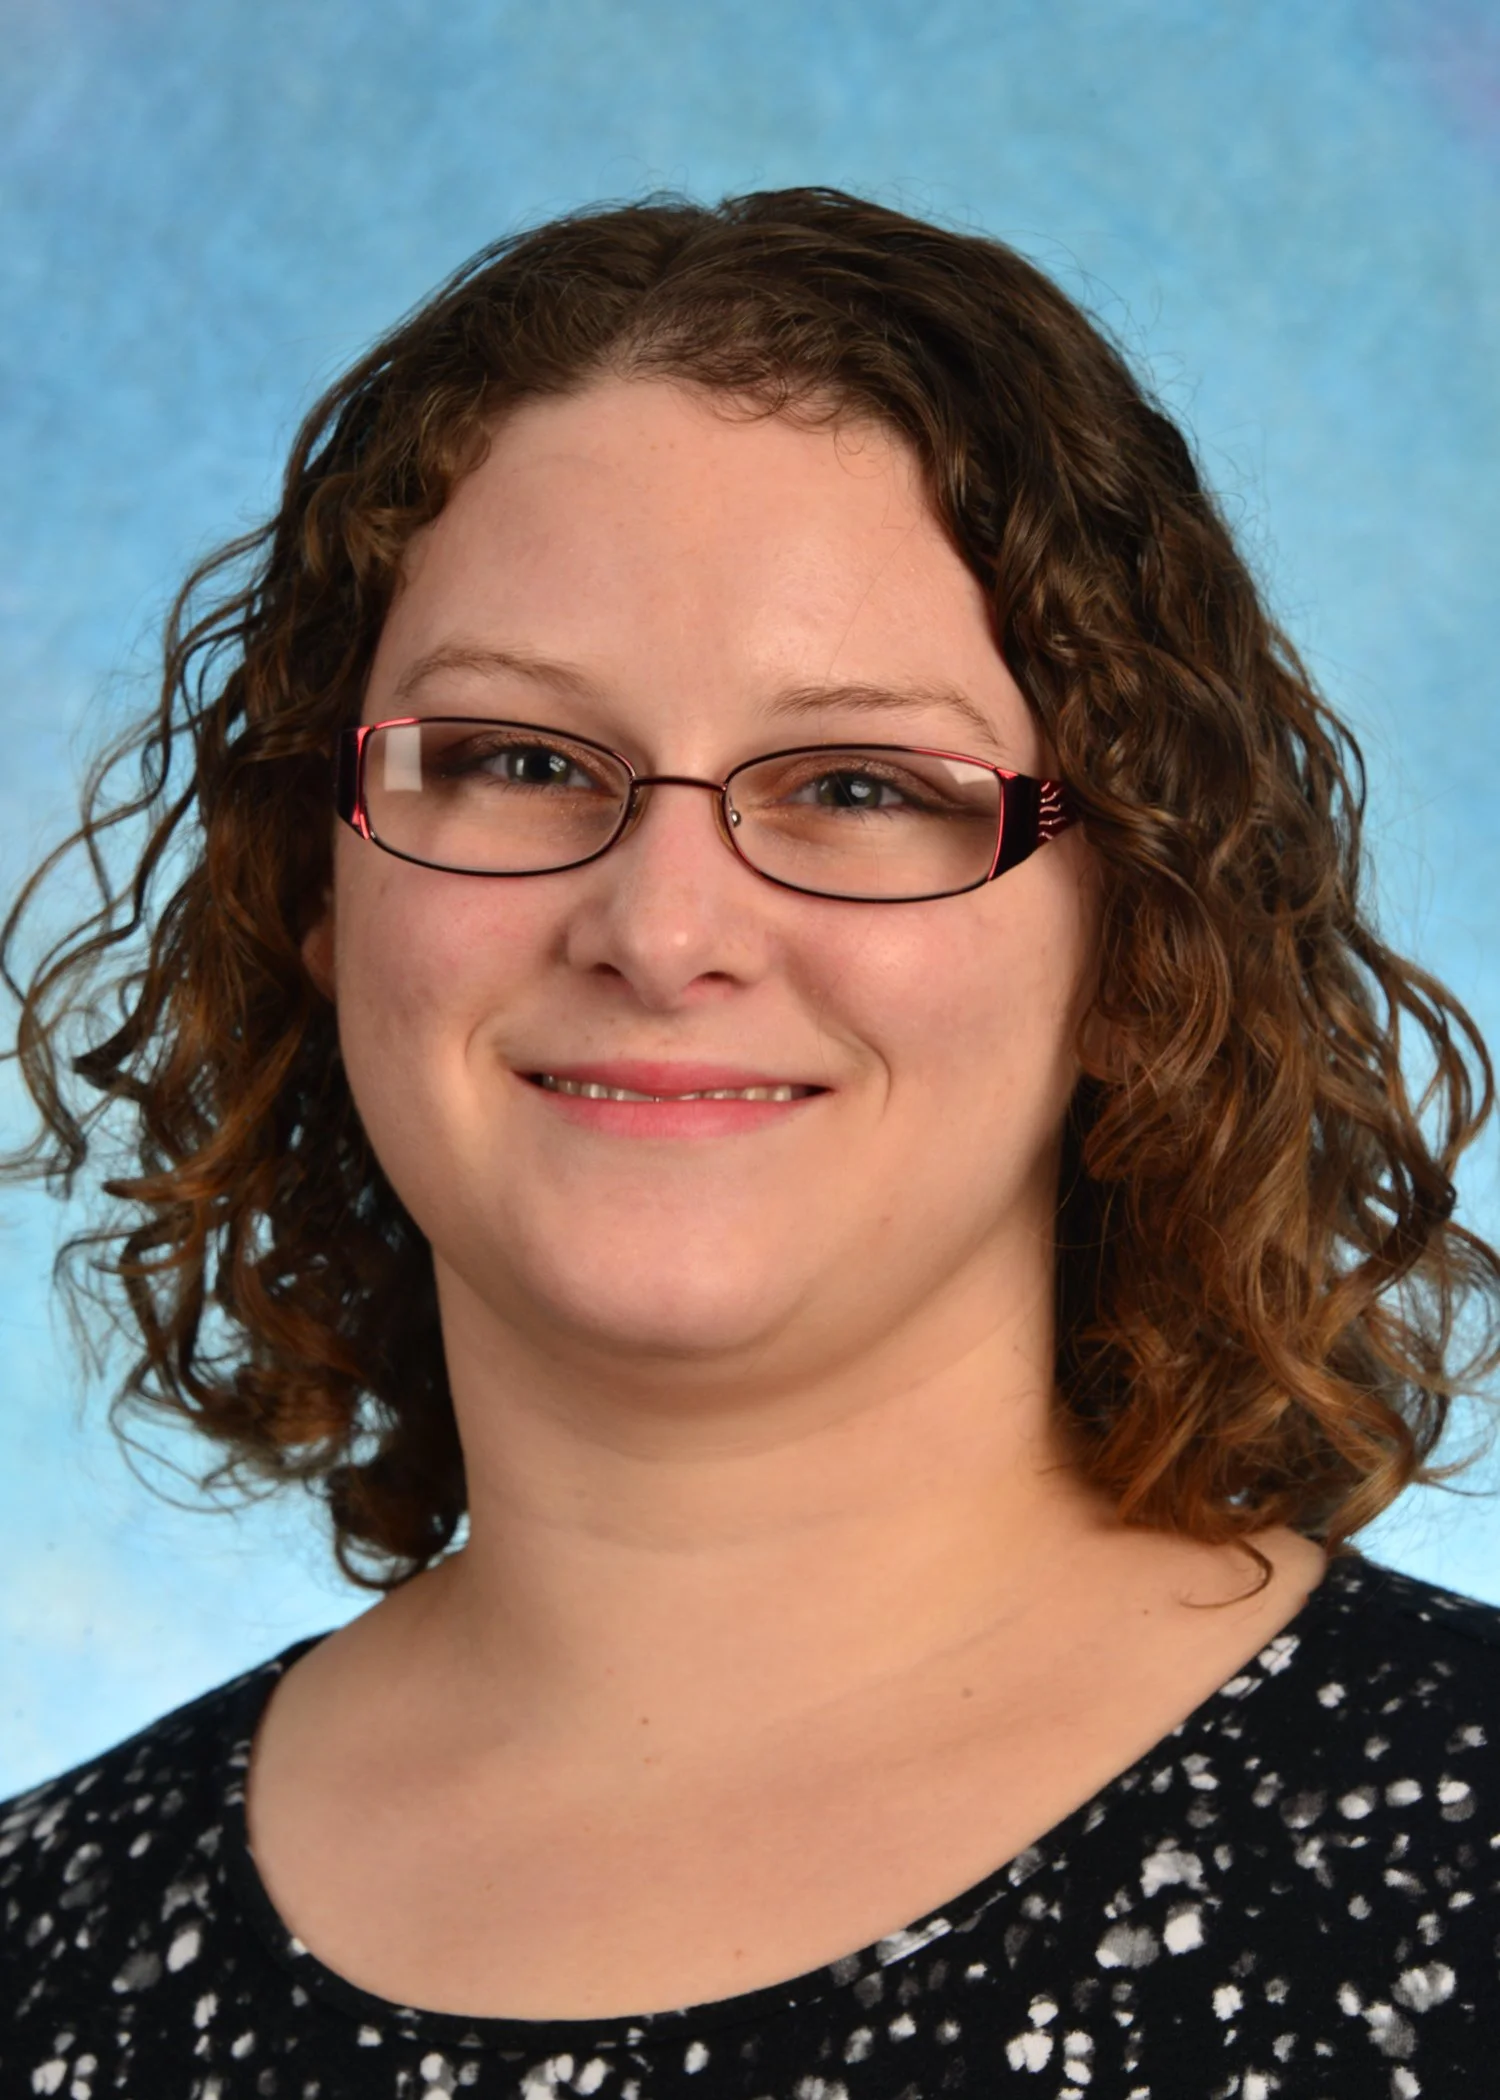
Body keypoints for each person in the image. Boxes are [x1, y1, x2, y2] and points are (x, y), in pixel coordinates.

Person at [2, 188, 1497, 2098]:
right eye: (519, 760)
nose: (661, 929)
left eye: (859, 785)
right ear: (317, 881)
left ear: (1143, 949)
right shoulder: (41, 1947)